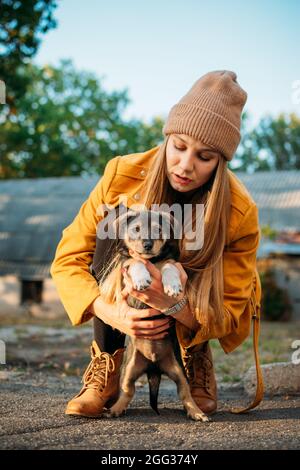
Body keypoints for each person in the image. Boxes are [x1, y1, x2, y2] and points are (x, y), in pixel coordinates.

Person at [50, 70, 262, 418]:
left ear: (220, 161)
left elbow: (231, 306)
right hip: (123, 298)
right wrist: (112, 313)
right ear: (167, 138)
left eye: (204, 157)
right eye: (178, 147)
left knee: (202, 250)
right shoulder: (122, 173)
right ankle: (108, 360)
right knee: (113, 227)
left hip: (190, 299)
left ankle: (193, 352)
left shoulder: (239, 210)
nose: (185, 165)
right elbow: (69, 258)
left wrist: (176, 307)